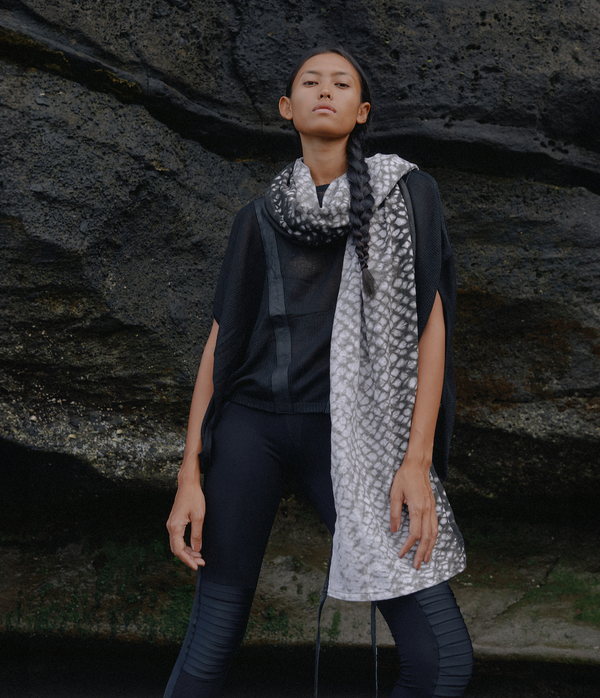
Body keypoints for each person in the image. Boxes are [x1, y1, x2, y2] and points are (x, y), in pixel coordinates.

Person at [163, 47, 473, 698]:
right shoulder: (257, 219)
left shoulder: (404, 194)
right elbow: (220, 347)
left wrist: (415, 462)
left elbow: (431, 326)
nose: (324, 90)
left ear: (361, 113)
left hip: (356, 445)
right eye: (310, 82)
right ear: (288, 108)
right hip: (251, 431)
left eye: (341, 83)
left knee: (441, 658)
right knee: (211, 640)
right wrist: (190, 474)